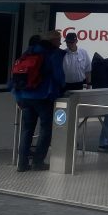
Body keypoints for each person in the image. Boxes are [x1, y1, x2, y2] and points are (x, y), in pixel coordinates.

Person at [11, 30, 65, 172]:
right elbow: (58, 76)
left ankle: (22, 163)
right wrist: (61, 88)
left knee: (27, 129)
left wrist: (18, 96)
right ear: (53, 41)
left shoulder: (28, 52)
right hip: (43, 96)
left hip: (24, 96)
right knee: (45, 129)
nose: (60, 43)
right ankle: (38, 162)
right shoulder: (53, 53)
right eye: (59, 40)